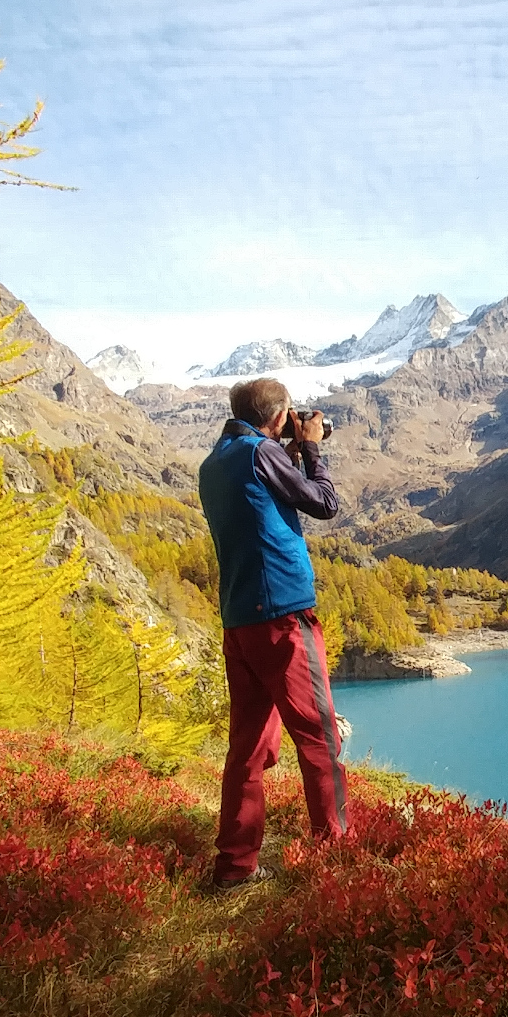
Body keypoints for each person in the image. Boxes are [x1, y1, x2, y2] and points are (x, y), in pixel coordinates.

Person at [198, 377, 345, 890]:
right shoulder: (264, 453)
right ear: (279, 418)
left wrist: (290, 446)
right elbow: (324, 502)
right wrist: (311, 449)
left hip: (239, 620)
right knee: (318, 739)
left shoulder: (215, 462)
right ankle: (336, 858)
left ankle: (235, 867)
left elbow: (255, 490)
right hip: (283, 616)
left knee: (248, 750)